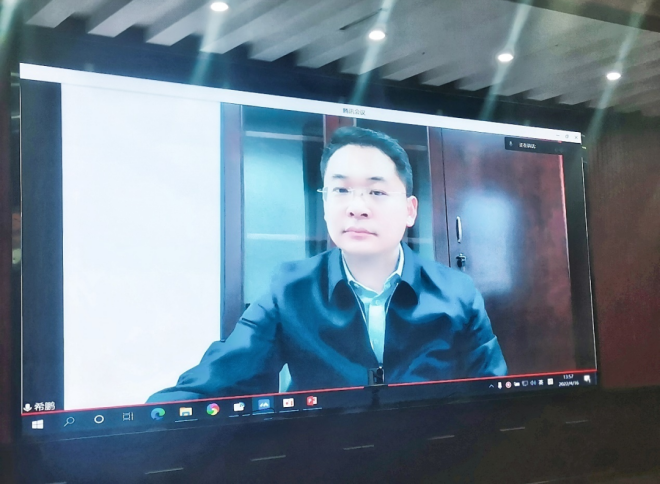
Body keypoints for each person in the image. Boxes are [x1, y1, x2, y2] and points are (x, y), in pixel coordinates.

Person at [147, 126, 506, 402]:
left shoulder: (457, 292)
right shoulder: (289, 289)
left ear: (410, 210)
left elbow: (496, 398)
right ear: (325, 204)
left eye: (377, 192)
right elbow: (217, 383)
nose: (357, 207)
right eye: (341, 190)